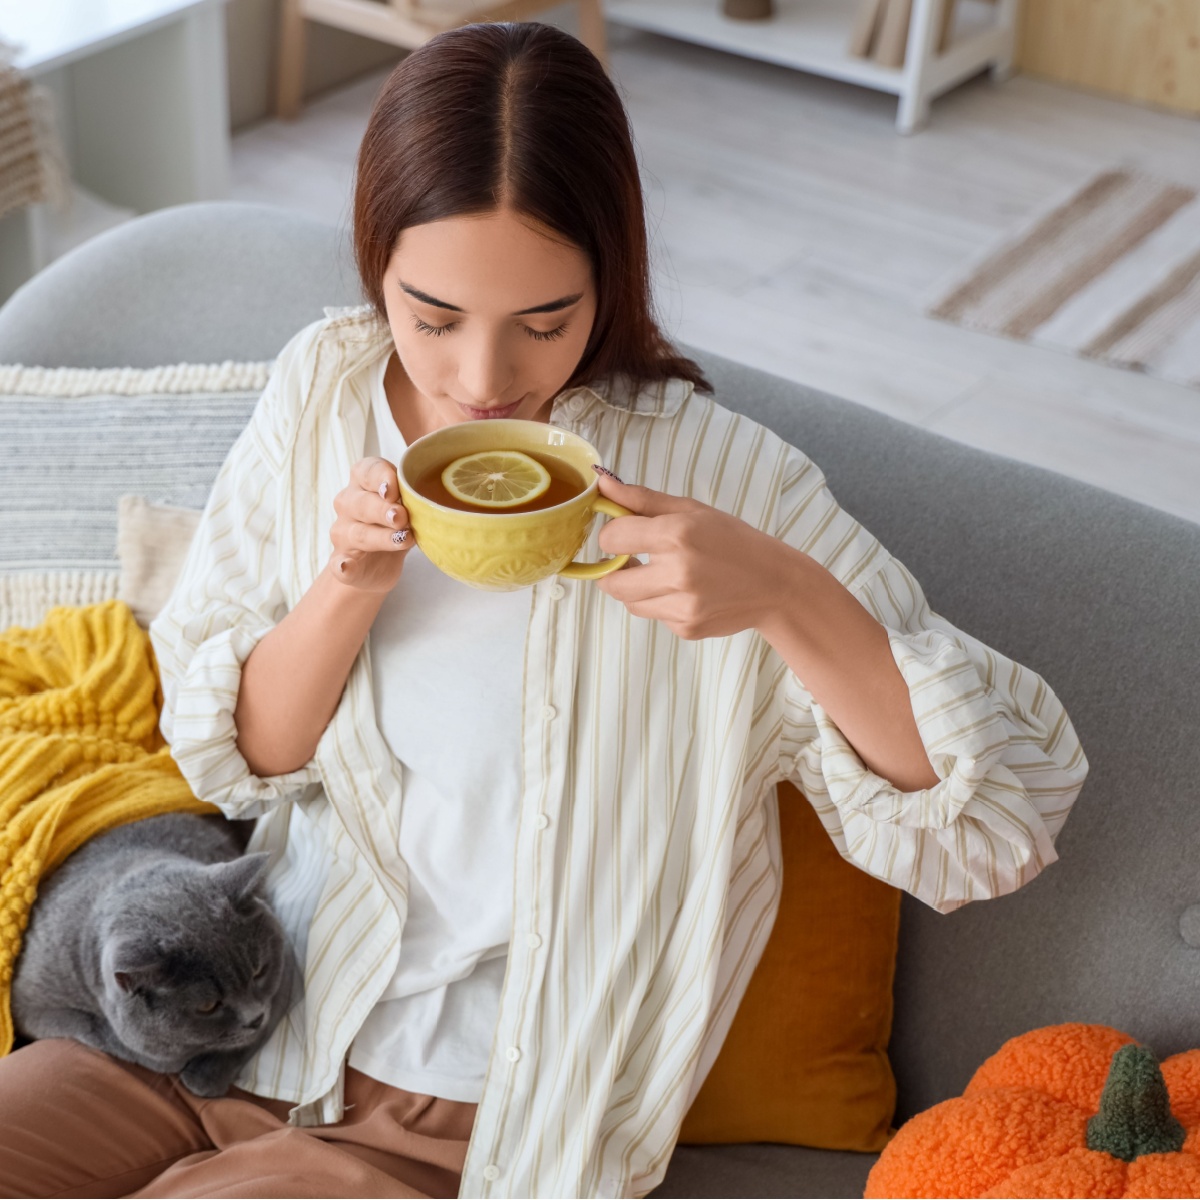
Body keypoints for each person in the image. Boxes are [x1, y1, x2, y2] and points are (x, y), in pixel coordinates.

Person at [0, 20, 1088, 1200]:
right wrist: (348, 586)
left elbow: (1003, 821)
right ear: (375, 262)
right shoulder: (324, 389)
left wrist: (785, 595)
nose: (480, 377)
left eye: (545, 321)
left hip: (469, 1126)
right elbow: (238, 761)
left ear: (610, 278)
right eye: (431, 315)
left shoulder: (729, 484)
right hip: (227, 1037)